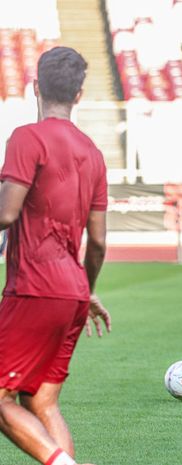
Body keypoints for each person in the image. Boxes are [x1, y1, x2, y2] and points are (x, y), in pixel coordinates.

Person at [0, 47, 111, 465]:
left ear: (35, 88)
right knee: (42, 401)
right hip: (73, 295)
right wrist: (87, 291)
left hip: (33, 288)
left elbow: (7, 212)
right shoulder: (94, 154)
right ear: (79, 95)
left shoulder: (27, 138)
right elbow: (98, 242)